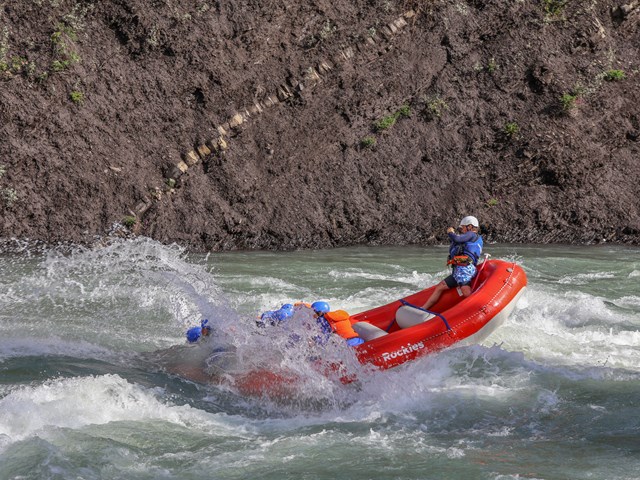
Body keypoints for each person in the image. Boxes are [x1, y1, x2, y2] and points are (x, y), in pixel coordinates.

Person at [422, 215, 484, 311]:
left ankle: (476, 309)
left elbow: (457, 239)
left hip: (465, 267)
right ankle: (424, 308)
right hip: (459, 269)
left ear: (470, 227)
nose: (462, 229)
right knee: (440, 286)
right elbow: (457, 242)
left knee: (465, 289)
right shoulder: (470, 237)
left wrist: (451, 233)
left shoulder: (472, 234)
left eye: (463, 227)